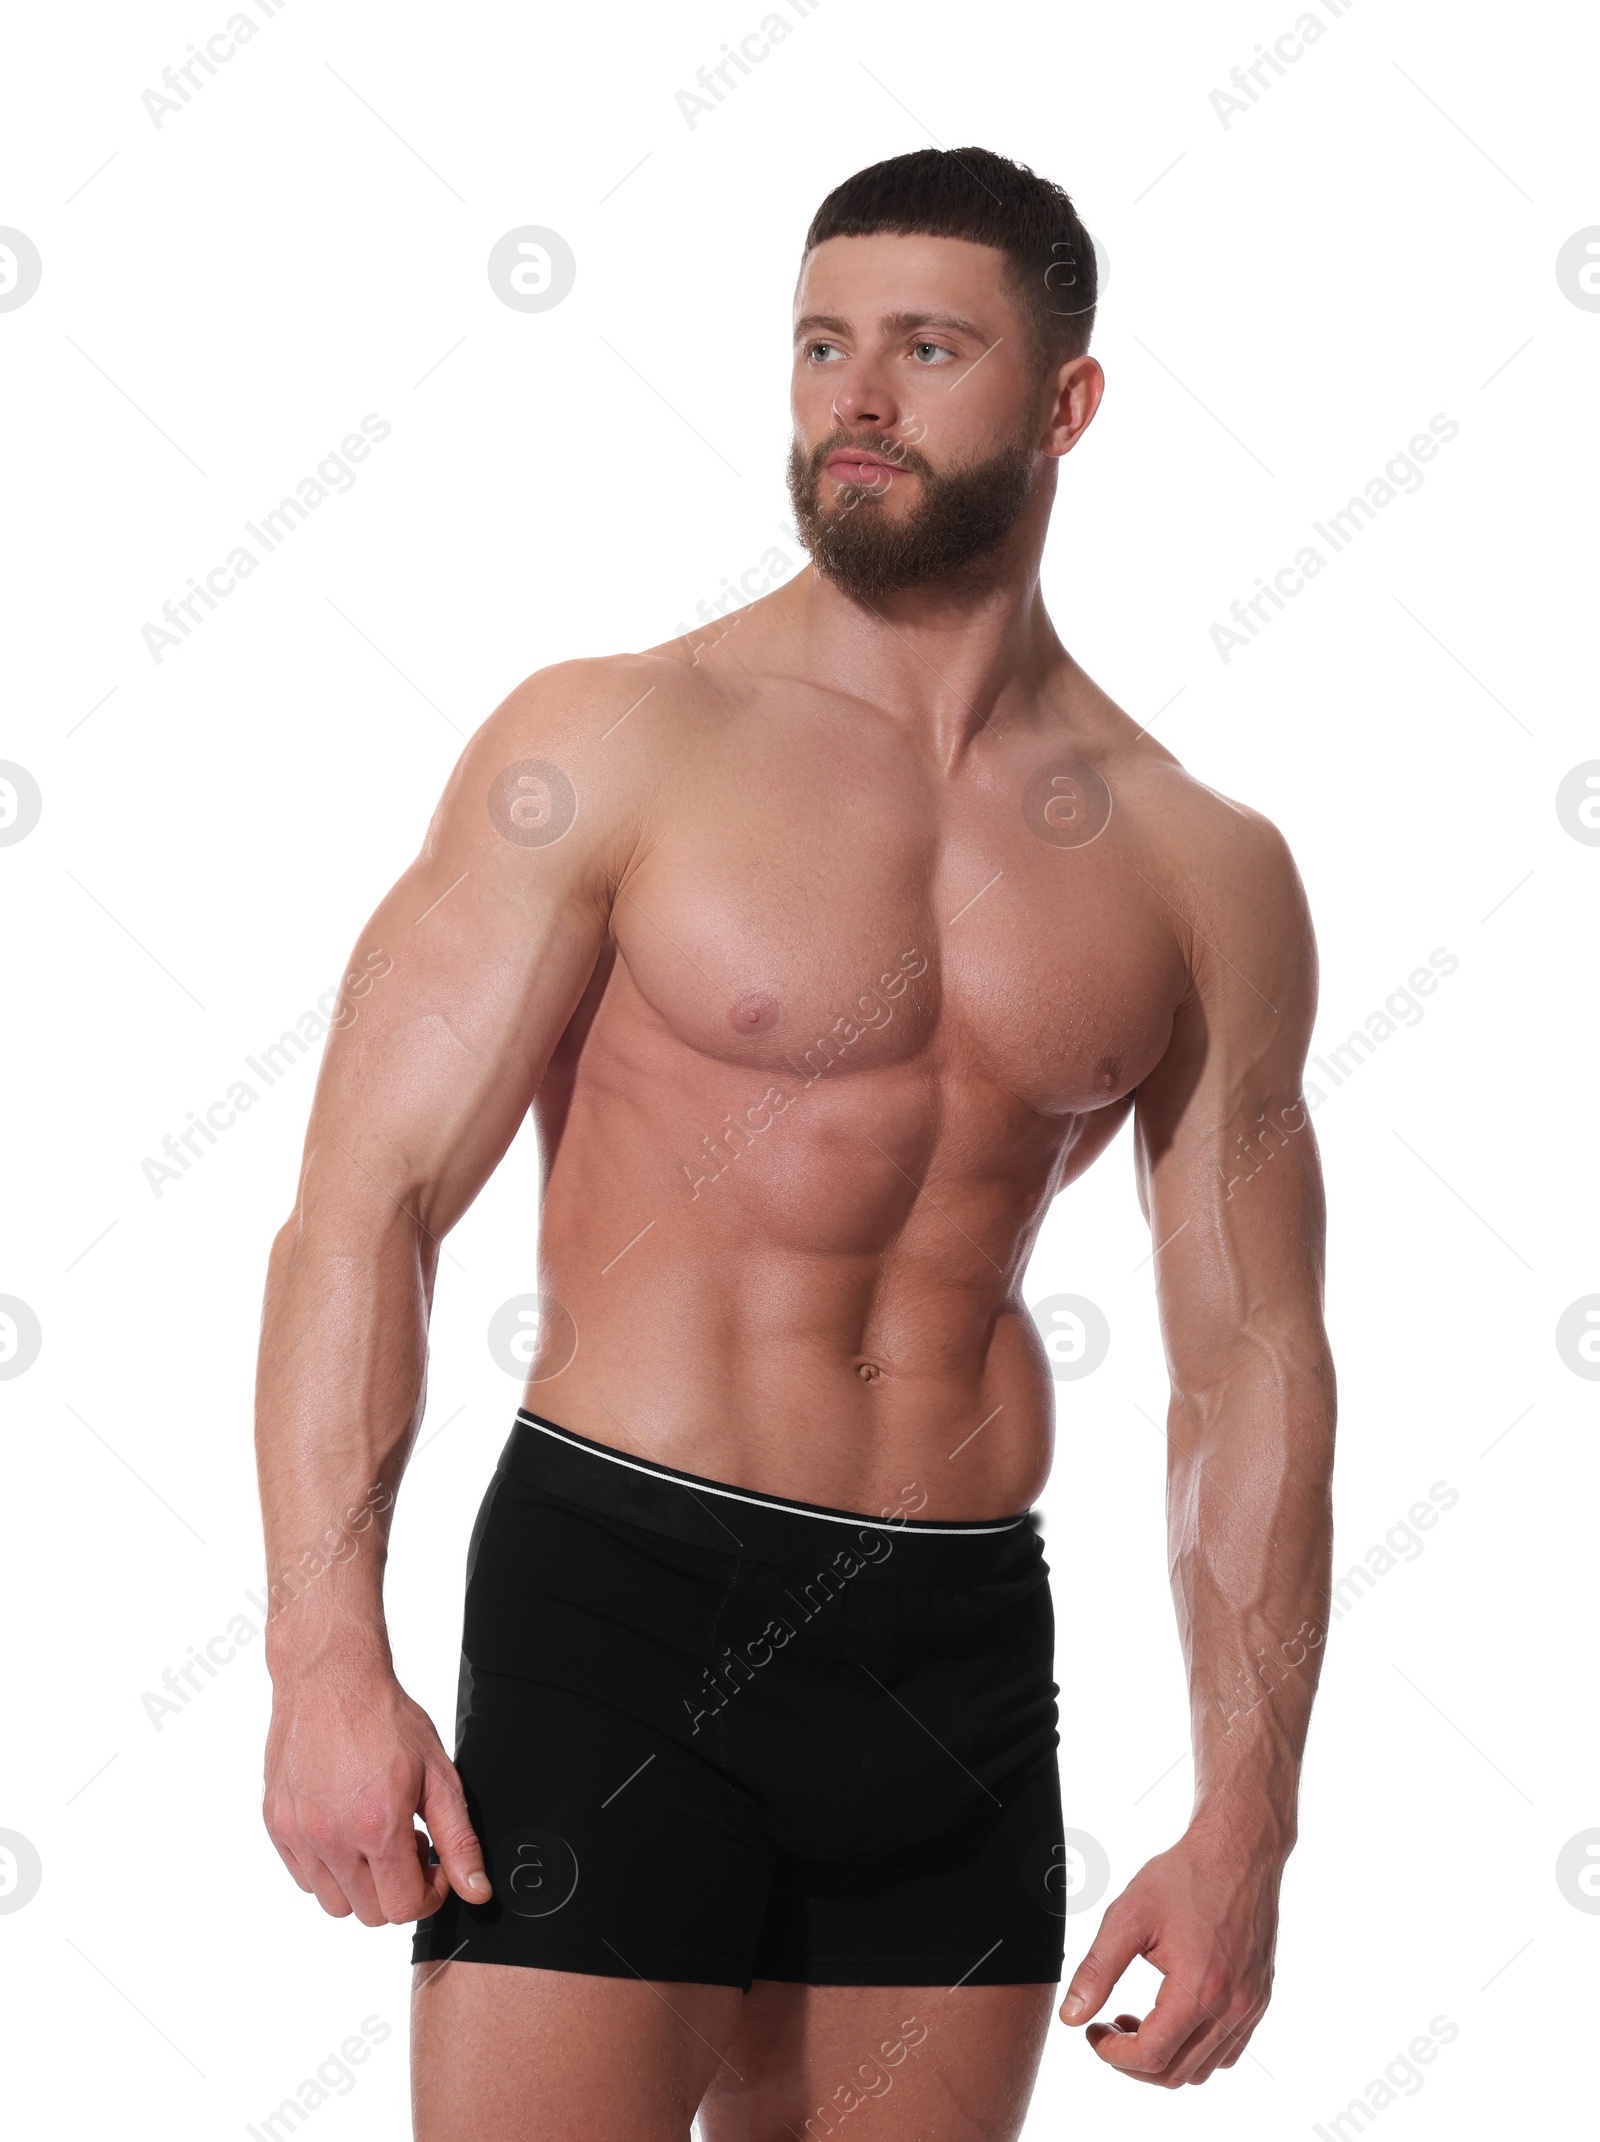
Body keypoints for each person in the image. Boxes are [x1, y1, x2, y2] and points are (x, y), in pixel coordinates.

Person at [255, 144, 1335, 2140]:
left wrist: (1245, 1821)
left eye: (925, 349)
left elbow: (1251, 1362)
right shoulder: (616, 740)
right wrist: (325, 1656)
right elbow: (364, 1209)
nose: (855, 397)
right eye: (822, 344)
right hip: (616, 1606)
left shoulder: (1196, 864)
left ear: (1065, 402)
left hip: (952, 1649)